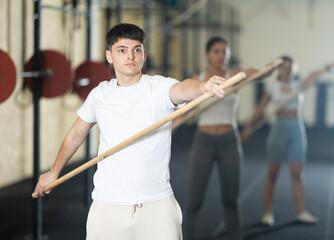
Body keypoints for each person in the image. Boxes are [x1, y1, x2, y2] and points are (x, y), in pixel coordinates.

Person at [33, 23, 227, 240]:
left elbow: (183, 88)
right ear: (109, 56)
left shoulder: (158, 88)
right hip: (108, 205)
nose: (130, 56)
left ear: (144, 54)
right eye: (122, 50)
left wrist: (203, 87)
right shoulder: (100, 95)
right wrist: (54, 171)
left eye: (137, 49)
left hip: (157, 204)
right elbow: (76, 134)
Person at [181, 36, 257, 240]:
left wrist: (267, 69)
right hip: (203, 142)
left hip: (229, 142)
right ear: (207, 55)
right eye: (216, 51)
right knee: (194, 200)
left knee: (231, 200)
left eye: (225, 51)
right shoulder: (200, 78)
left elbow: (253, 73)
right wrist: (170, 125)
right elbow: (181, 102)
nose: (221, 55)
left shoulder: (234, 76)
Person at [241, 55, 321, 226]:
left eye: (290, 67)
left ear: (295, 68)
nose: (288, 70)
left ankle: (301, 211)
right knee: (272, 173)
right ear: (279, 69)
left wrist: (325, 68)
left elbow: (313, 75)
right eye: (284, 67)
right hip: (279, 130)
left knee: (297, 173)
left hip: (296, 129)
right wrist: (247, 127)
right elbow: (260, 108)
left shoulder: (298, 85)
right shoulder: (273, 87)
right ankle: (268, 213)